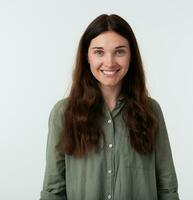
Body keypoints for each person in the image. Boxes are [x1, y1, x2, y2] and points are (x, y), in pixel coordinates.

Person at [40, 14, 179, 200]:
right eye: (99, 52)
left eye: (119, 51)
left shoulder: (151, 111)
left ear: (131, 56)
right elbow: (53, 190)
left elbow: (167, 186)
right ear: (86, 56)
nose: (110, 62)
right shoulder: (63, 113)